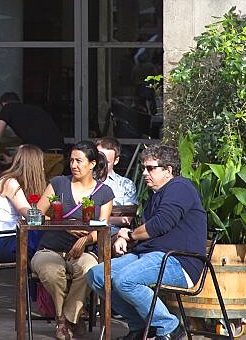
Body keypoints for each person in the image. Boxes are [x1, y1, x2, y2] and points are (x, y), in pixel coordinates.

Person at [86, 144, 206, 340]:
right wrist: (124, 236)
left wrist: (130, 235)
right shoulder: (156, 195)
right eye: (143, 168)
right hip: (152, 256)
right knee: (97, 275)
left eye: (150, 168)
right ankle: (141, 326)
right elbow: (148, 231)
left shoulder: (180, 187)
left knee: (124, 281)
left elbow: (159, 225)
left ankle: (169, 327)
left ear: (168, 170)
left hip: (179, 261)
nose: (144, 173)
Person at [31, 141, 115, 340]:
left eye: (79, 161)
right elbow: (37, 215)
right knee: (51, 272)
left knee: (89, 270)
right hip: (49, 249)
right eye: (71, 161)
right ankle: (63, 319)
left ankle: (69, 319)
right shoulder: (58, 183)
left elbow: (101, 228)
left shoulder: (104, 192)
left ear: (92, 164)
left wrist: (84, 240)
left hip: (84, 251)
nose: (74, 165)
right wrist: (64, 225)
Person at [0, 144, 49, 262]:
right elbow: (30, 215)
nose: (43, 168)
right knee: (50, 237)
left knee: (50, 237)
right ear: (33, 166)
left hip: (13, 238)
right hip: (5, 243)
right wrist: (57, 222)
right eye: (41, 164)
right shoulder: (10, 183)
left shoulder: (14, 182)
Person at [0, 92, 64, 164]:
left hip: (40, 156)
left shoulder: (8, 107)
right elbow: (36, 138)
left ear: (4, 103)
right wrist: (12, 159)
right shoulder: (35, 110)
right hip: (59, 156)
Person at [96, 137, 138, 206]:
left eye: (106, 162)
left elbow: (128, 214)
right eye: (99, 160)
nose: (101, 164)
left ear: (116, 161)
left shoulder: (126, 185)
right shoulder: (81, 181)